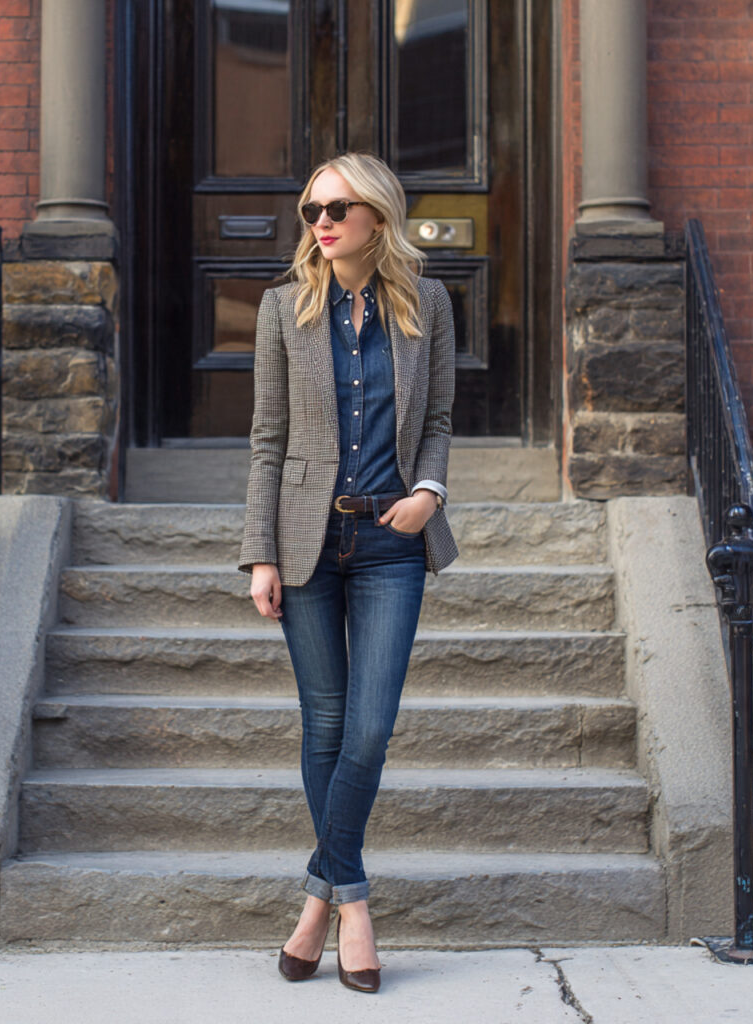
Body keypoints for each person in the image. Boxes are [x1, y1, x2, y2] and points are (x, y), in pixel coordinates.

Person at [237, 151, 458, 993]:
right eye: (311, 210)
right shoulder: (281, 310)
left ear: (377, 215)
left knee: (368, 730)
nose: (321, 221)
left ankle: (318, 899)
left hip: (392, 544)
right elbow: (267, 439)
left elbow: (436, 417)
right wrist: (260, 551)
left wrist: (429, 492)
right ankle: (351, 903)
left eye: (337, 206)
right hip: (305, 544)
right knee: (323, 724)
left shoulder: (426, 302)